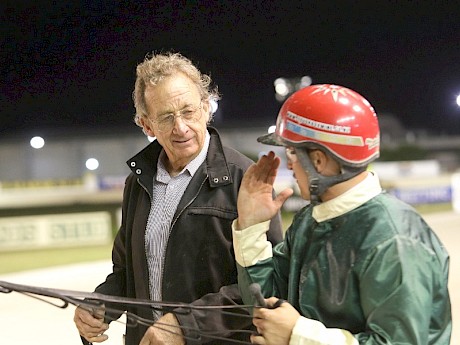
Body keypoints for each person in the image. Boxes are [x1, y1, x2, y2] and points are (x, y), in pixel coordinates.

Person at [73, 52, 283, 345]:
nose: (181, 127)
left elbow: (268, 283)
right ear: (147, 125)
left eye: (188, 111)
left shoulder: (244, 179)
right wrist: (99, 305)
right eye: (166, 117)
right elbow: (126, 273)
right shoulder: (138, 183)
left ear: (207, 107)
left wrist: (183, 325)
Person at [232, 84, 452, 344]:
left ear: (318, 160)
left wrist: (298, 336)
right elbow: (268, 305)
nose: (288, 163)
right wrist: (251, 226)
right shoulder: (309, 220)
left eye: (291, 151)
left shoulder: (394, 240)